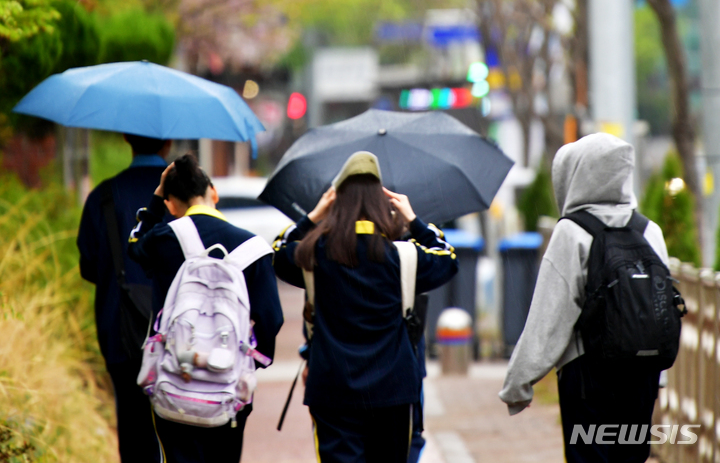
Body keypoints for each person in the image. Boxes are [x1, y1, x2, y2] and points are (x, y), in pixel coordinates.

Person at [273, 150, 458, 463]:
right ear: (382, 203)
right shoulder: (403, 257)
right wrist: (414, 220)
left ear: (336, 201)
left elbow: (278, 252)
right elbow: (448, 257)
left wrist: (313, 217)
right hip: (393, 391)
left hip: (333, 389)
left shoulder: (314, 254)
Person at [499, 133, 671, 462]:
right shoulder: (650, 231)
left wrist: (518, 384)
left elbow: (548, 318)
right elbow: (660, 310)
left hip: (589, 375)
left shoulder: (572, 232)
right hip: (643, 372)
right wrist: (659, 377)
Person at [128, 153, 283, 463]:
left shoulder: (162, 238)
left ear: (171, 203)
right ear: (214, 192)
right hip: (229, 387)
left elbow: (135, 245)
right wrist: (252, 363)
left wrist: (156, 199)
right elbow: (271, 319)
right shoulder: (254, 248)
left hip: (174, 380)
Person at [77, 133, 172, 463]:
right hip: (180, 336)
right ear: (168, 143)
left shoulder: (102, 197)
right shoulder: (185, 198)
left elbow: (89, 266)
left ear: (128, 141)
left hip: (121, 332)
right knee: (181, 433)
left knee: (134, 438)